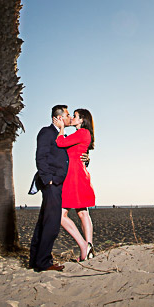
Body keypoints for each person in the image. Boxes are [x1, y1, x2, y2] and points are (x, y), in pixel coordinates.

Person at [28, 105, 71, 272]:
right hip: (52, 184)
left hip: (58, 183)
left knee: (44, 222)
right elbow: (41, 157)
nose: (69, 118)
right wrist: (49, 180)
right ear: (59, 117)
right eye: (67, 114)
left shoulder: (61, 135)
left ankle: (36, 261)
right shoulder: (47, 132)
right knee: (52, 224)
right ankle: (44, 262)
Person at [56, 108, 96, 261]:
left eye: (75, 116)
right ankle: (88, 247)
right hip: (77, 174)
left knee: (64, 215)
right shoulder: (82, 134)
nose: (72, 118)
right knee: (82, 212)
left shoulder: (82, 132)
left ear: (82, 120)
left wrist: (61, 128)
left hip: (75, 176)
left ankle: (85, 246)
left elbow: (61, 142)